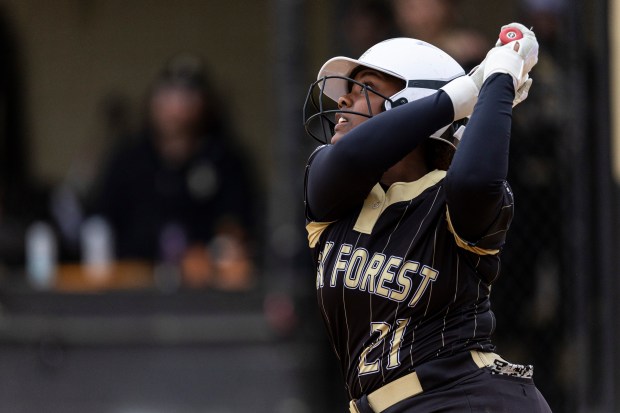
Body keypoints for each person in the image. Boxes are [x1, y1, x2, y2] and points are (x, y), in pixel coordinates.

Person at [302, 23, 552, 412]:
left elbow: (473, 178)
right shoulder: (329, 186)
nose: (343, 103)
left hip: (469, 398)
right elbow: (351, 159)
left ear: (413, 103)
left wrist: (499, 77)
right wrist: (468, 93)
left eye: (363, 88)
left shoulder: (450, 193)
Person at [94, 54, 257, 290]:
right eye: (168, 93)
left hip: (201, 288)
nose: (177, 105)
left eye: (188, 95)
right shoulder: (129, 159)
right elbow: (101, 224)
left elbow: (236, 226)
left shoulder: (225, 160)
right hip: (132, 285)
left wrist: (215, 253)